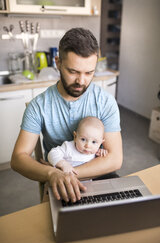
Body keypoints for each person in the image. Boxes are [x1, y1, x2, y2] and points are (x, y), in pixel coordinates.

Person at [11, 27, 123, 203]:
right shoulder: (38, 106)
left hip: (97, 175)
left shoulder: (105, 102)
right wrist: (51, 173)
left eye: (89, 73)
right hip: (57, 181)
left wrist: (67, 173)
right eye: (73, 71)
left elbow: (115, 159)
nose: (81, 81)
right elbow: (18, 158)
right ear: (58, 63)